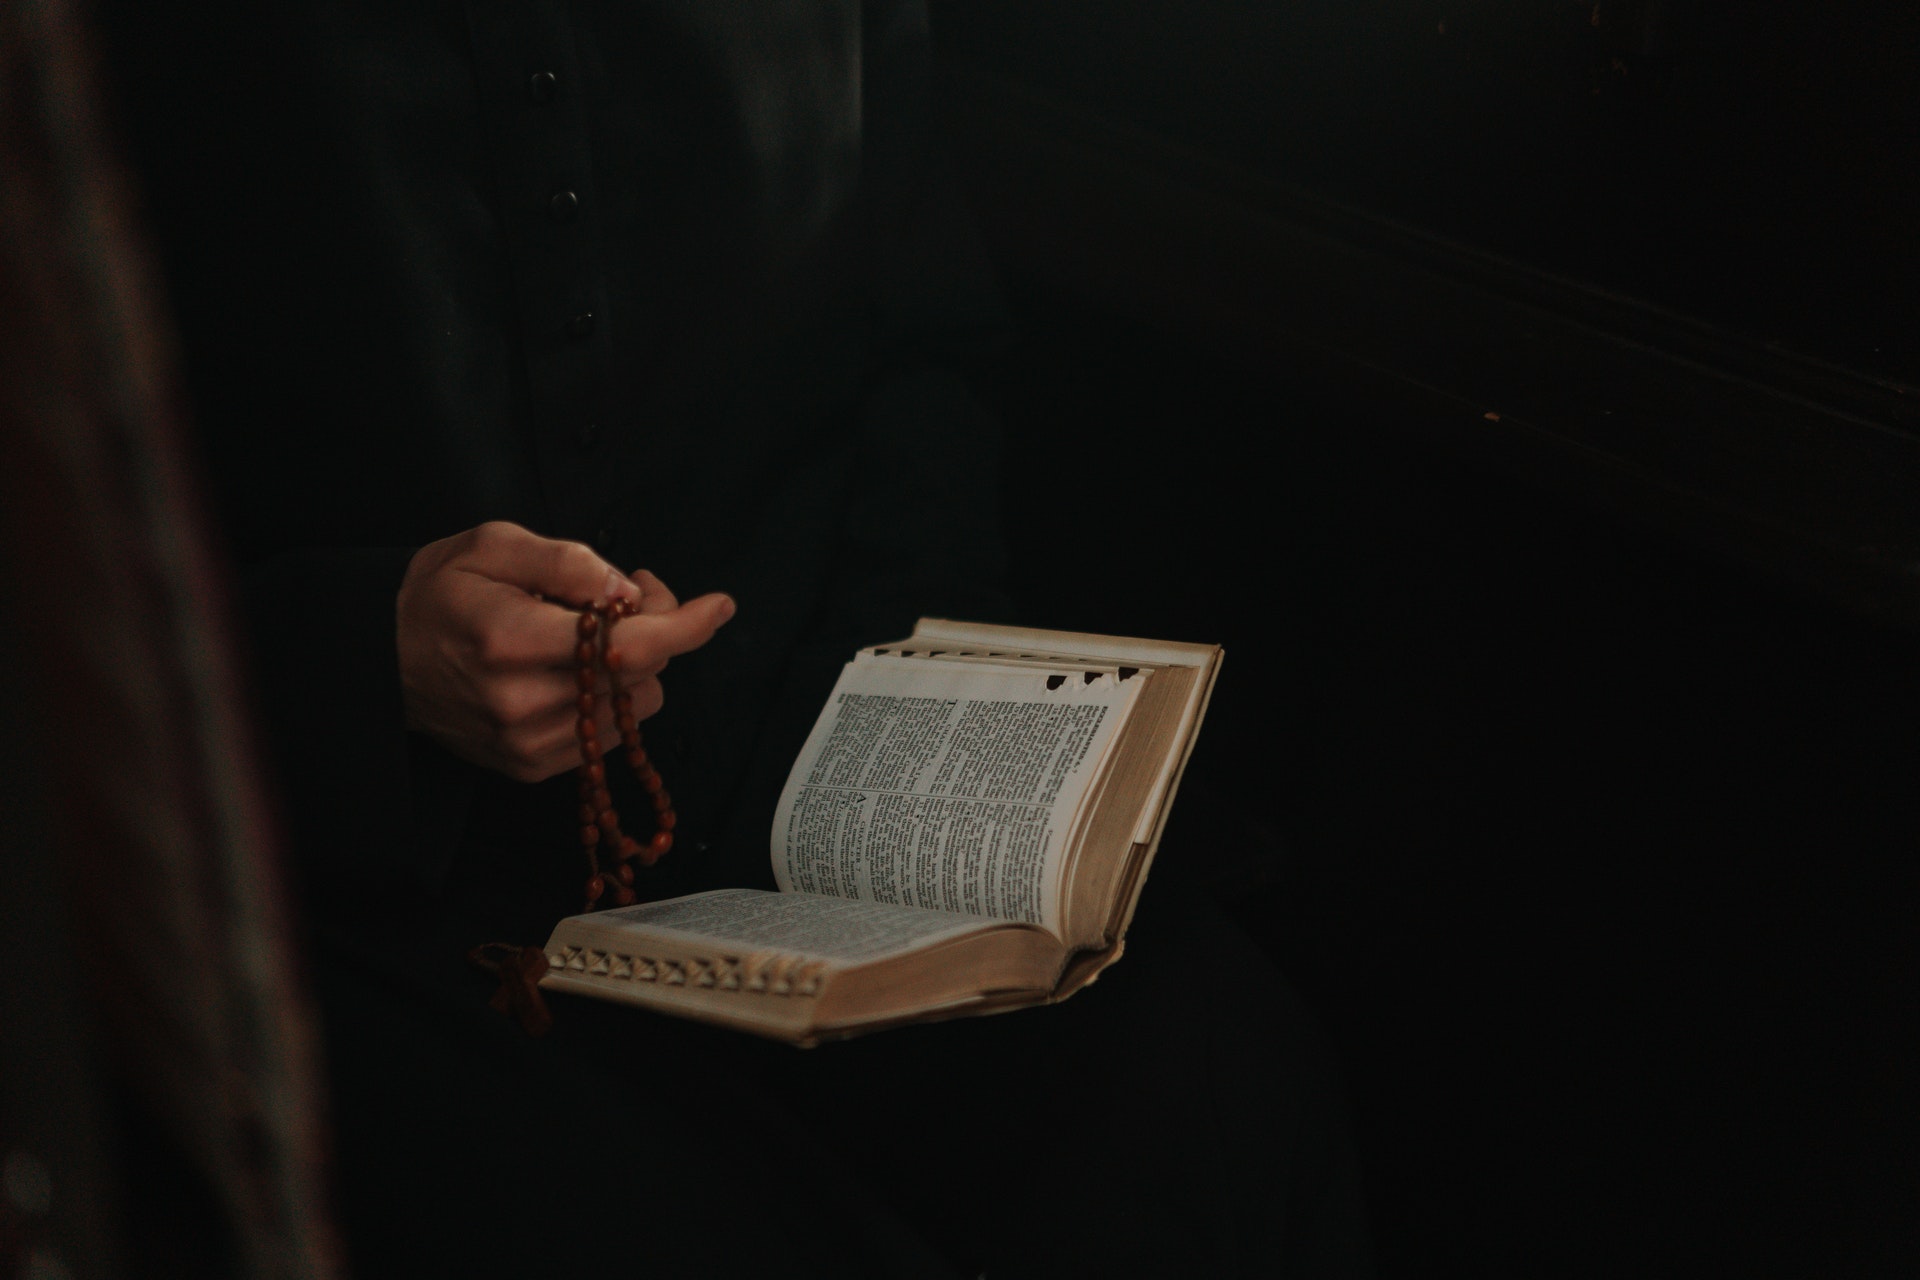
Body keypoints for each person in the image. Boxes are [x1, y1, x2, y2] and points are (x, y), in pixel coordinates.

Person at [96, 2, 1370, 1274]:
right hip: (346, 866)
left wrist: (872, 730)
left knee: (1218, 1092)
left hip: (797, 788)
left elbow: (920, 344)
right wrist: (360, 656)